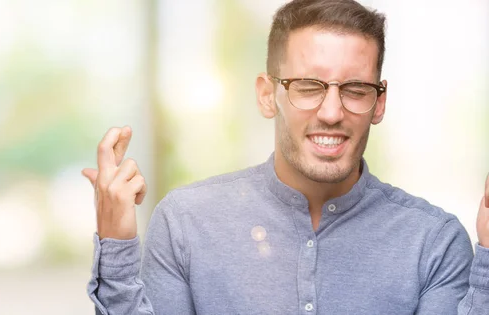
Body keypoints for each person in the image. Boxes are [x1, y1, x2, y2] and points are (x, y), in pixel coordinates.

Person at [83, 0, 489, 314]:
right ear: (267, 95)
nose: (332, 112)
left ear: (379, 103)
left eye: (355, 89)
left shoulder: (434, 244)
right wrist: (116, 248)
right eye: (309, 86)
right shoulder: (185, 225)